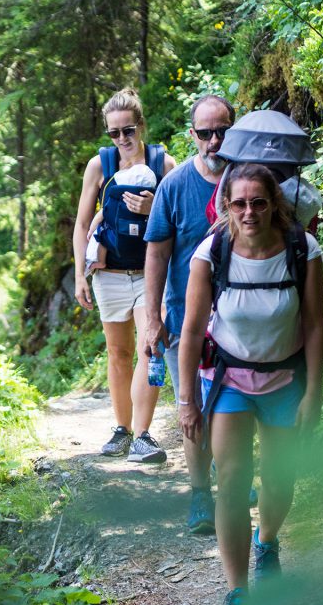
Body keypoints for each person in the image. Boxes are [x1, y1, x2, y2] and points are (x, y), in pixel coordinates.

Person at [177, 163, 323, 605]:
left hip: (286, 378)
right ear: (226, 207)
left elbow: (316, 324)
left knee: (281, 480)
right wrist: (187, 400)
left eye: (258, 202)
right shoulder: (211, 253)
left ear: (274, 205)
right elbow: (191, 331)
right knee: (233, 483)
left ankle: (268, 542)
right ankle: (238, 593)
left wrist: (314, 393)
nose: (249, 212)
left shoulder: (303, 250)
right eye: (239, 203)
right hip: (229, 379)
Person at [143, 94, 235, 532]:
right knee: (192, 407)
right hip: (186, 320)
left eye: (223, 131)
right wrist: (152, 318)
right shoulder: (174, 186)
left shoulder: (247, 183)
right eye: (206, 133)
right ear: (192, 135)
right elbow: (157, 255)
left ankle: (230, 476)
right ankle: (200, 495)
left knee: (233, 407)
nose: (215, 141)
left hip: (241, 318)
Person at [73, 88, 177, 462]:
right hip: (110, 274)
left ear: (141, 125)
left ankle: (144, 435)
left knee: (151, 348)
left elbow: (180, 220)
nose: (121, 140)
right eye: (113, 133)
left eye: (127, 131)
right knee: (118, 352)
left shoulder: (164, 164)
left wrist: (155, 207)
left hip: (151, 273)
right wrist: (79, 276)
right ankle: (122, 428)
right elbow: (82, 222)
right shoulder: (99, 166)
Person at [85, 163, 158, 274]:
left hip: (116, 241)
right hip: (143, 244)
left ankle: (100, 261)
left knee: (101, 233)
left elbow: (103, 213)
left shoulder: (117, 199)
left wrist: (92, 230)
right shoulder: (150, 198)